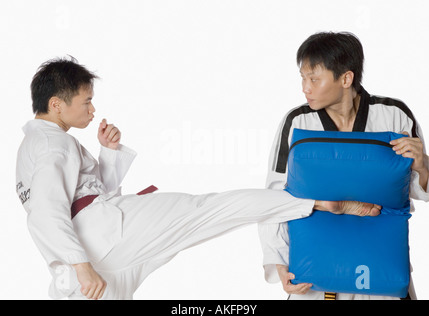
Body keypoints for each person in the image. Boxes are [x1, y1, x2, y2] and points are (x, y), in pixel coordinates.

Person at [16, 57, 382, 300]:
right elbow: (47, 213)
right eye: (86, 102)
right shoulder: (53, 144)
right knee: (208, 210)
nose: (93, 110)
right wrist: (82, 265)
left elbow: (88, 196)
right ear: (56, 105)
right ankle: (314, 202)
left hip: (88, 254)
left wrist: (108, 154)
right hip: (97, 244)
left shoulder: (37, 146)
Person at [258, 31, 429, 300]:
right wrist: (278, 263)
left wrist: (424, 167)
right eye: (303, 78)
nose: (305, 88)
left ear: (346, 78)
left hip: (380, 269)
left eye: (314, 79)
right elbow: (274, 197)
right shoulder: (297, 122)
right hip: (314, 276)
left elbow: (418, 192)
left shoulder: (395, 115)